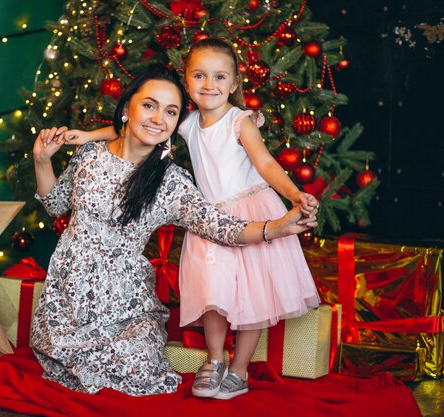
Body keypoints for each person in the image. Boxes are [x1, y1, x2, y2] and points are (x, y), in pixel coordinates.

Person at [31, 66, 317, 396]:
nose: (158, 118)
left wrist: (277, 227)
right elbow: (54, 204)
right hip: (68, 298)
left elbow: (220, 227)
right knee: (67, 362)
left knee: (137, 369)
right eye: (149, 105)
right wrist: (42, 161)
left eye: (170, 111)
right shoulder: (89, 154)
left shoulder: (170, 182)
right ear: (127, 109)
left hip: (127, 307)